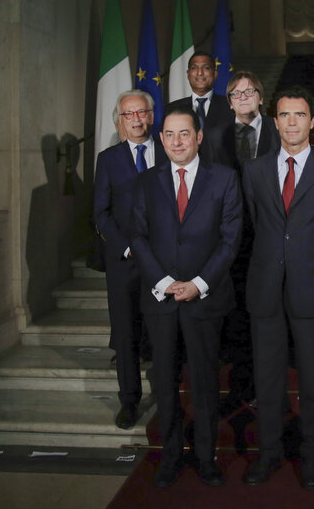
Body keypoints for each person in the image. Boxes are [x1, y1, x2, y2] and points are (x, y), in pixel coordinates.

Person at [242, 85, 314, 490]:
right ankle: (268, 454)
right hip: (265, 289)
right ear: (275, 121)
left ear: (313, 122)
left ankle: (310, 457)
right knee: (268, 378)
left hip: (313, 290)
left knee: (313, 379)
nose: (291, 122)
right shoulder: (254, 171)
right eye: (285, 115)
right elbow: (255, 226)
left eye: (299, 115)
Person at [129, 107, 243, 488]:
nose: (177, 141)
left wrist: (197, 283)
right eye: (169, 135)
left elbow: (230, 241)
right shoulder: (146, 182)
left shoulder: (225, 179)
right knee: (164, 381)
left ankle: (207, 456)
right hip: (160, 301)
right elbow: (138, 237)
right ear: (161, 140)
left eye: (184, 134)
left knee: (205, 383)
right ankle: (171, 454)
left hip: (204, 300)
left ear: (198, 138)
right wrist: (163, 282)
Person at [93, 90, 167, 430]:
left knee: (164, 332)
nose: (136, 119)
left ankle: (168, 399)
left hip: (165, 262)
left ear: (151, 116)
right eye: (128, 115)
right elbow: (101, 214)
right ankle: (129, 401)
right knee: (125, 335)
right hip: (124, 262)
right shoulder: (108, 159)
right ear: (120, 121)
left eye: (141, 113)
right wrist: (127, 247)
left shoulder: (170, 151)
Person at [207, 70, 281, 402]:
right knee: (237, 310)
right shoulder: (212, 136)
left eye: (250, 91)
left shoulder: (281, 131)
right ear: (229, 102)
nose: (243, 97)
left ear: (261, 98)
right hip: (230, 236)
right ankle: (243, 378)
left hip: (272, 233)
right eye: (236, 94)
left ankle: (272, 374)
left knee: (271, 308)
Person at [166, 50, 233, 162]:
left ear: (215, 74)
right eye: (194, 68)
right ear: (188, 74)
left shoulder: (230, 106)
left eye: (206, 68)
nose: (200, 73)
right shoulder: (172, 109)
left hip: (221, 173)